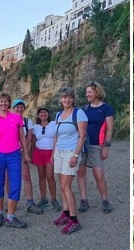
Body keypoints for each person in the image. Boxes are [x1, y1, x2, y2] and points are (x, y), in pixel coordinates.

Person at [0, 93, 30, 228]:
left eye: (6, 101)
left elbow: (22, 137)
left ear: (9, 104)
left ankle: (10, 216)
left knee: (15, 184)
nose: (3, 104)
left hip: (14, 154)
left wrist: (26, 154)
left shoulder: (17, 118)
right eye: (1, 101)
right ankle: (0, 213)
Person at [52, 87, 87, 234]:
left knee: (66, 186)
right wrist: (54, 153)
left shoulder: (79, 113)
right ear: (61, 100)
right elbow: (56, 136)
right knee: (62, 186)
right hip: (59, 152)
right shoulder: (58, 115)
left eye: (69, 97)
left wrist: (76, 155)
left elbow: (82, 136)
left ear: (73, 99)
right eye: (64, 97)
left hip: (71, 153)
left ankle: (74, 220)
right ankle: (65, 214)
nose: (66, 100)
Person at [79, 82, 115, 213]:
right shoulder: (85, 108)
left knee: (99, 175)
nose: (87, 94)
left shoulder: (106, 108)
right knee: (81, 173)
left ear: (97, 92)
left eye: (89, 92)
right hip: (82, 145)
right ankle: (84, 200)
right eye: (86, 92)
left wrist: (106, 146)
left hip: (97, 145)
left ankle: (105, 200)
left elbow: (110, 129)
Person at [30, 107, 61, 214]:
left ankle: (54, 199)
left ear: (48, 114)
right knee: (41, 176)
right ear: (38, 115)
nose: (43, 114)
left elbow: (58, 137)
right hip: (39, 152)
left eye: (45, 112)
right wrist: (31, 154)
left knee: (50, 176)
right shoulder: (35, 127)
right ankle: (43, 198)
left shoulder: (54, 124)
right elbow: (33, 142)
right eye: (41, 112)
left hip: (50, 152)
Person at [13, 99, 41, 214]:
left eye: (21, 107)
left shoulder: (27, 121)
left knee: (26, 176)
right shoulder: (10, 120)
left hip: (22, 152)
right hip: (11, 152)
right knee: (9, 178)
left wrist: (25, 150)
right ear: (14, 108)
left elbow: (29, 137)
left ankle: (30, 201)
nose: (19, 109)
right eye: (17, 107)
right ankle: (11, 202)